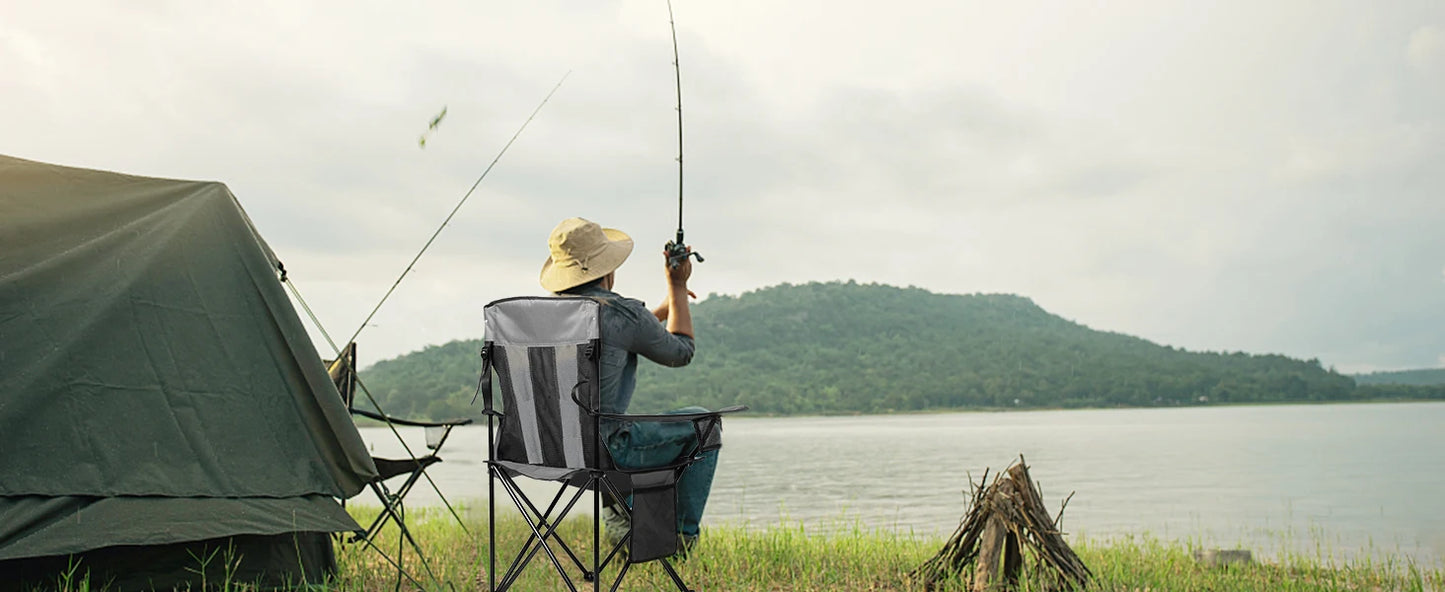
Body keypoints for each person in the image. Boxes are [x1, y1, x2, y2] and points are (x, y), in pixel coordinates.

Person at [537, 216, 715, 554]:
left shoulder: (539, 316)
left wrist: (661, 309)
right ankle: (677, 540)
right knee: (702, 424)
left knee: (597, 427)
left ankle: (622, 514)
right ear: (608, 269)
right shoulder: (620, 314)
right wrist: (677, 288)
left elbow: (623, 331)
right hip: (605, 454)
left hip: (543, 452)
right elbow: (681, 352)